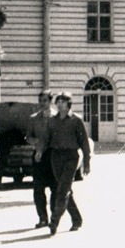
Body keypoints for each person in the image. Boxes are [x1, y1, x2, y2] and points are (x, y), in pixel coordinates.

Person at [43, 92, 90, 236]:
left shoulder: (76, 120)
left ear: (69, 104)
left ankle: (54, 220)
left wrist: (87, 162)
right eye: (58, 101)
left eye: (63, 101)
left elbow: (84, 143)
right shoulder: (52, 120)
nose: (60, 104)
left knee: (63, 190)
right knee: (64, 188)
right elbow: (47, 140)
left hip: (71, 157)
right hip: (56, 156)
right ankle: (76, 219)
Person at [27, 90, 55, 228]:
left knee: (55, 188)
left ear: (50, 101)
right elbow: (28, 137)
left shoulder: (57, 117)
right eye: (40, 101)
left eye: (45, 100)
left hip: (53, 156)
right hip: (38, 156)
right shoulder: (33, 118)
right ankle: (42, 218)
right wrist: (36, 145)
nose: (42, 103)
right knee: (38, 189)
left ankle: (54, 218)